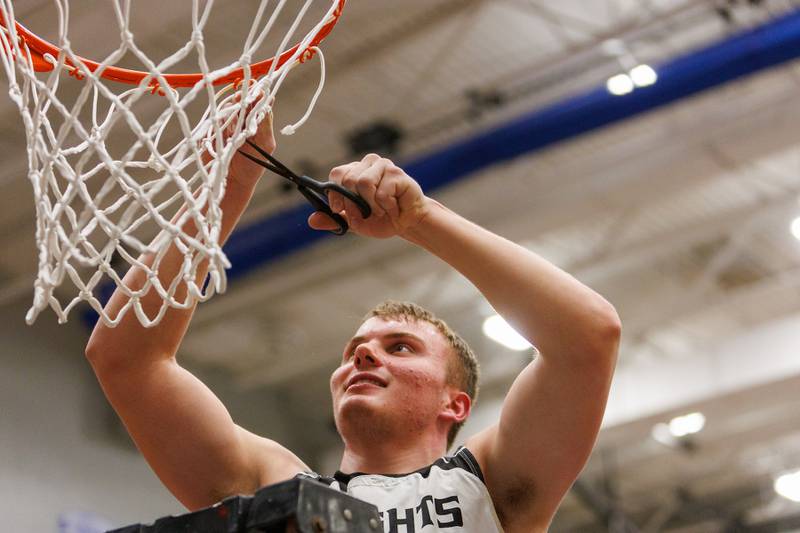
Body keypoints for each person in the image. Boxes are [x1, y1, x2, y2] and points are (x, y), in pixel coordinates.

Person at [85, 110, 621, 533]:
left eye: (401, 347)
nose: (362, 355)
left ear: (454, 403)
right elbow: (127, 360)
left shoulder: (491, 482)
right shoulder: (277, 485)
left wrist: (419, 219)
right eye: (354, 350)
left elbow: (589, 335)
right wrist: (230, 183)